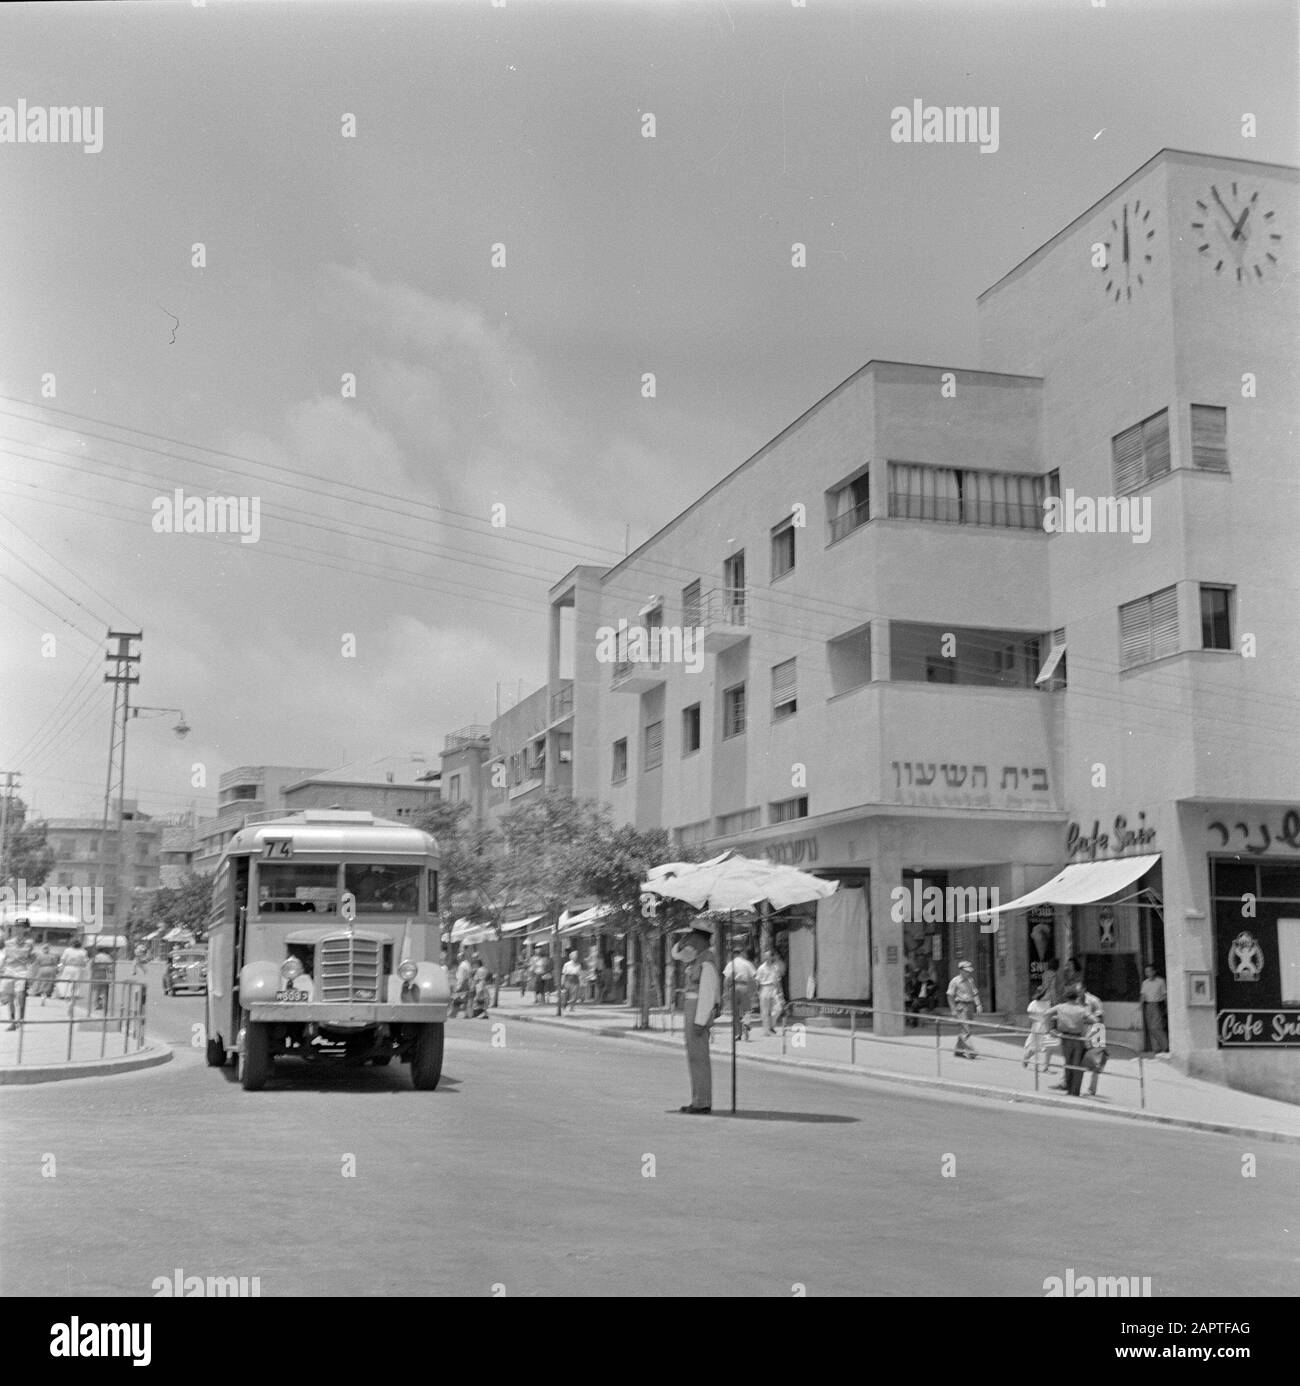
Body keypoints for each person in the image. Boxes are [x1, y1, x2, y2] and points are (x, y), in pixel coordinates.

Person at [671, 927, 720, 1113]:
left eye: (692, 940)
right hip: (692, 1009)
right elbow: (676, 953)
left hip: (699, 1012)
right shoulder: (698, 959)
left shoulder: (706, 963)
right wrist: (682, 941)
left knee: (699, 1058)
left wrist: (700, 1022)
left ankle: (703, 1102)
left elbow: (707, 995)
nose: (688, 944)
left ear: (700, 941)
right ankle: (697, 1099)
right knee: (694, 1058)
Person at [1043, 984, 1092, 1095]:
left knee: (1068, 1063)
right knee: (1077, 1065)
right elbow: (1094, 1019)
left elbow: (1046, 1014)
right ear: (1077, 998)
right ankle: (1075, 1091)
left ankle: (1068, 1089)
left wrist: (1049, 1029)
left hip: (1065, 1038)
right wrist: (1084, 1022)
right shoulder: (1081, 1009)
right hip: (1078, 1039)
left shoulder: (1060, 1007)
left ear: (1066, 997)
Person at [946, 960, 982, 1059]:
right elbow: (950, 996)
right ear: (961, 971)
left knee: (966, 1029)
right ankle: (971, 1051)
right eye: (966, 971)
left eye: (969, 971)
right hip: (961, 1006)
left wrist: (978, 1004)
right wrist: (953, 1009)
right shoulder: (955, 981)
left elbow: (975, 993)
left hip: (970, 1006)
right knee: (966, 1029)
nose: (968, 973)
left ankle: (958, 1050)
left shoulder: (970, 980)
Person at [722, 943, 757, 1042]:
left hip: (734, 987)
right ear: (742, 953)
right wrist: (754, 990)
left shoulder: (731, 964)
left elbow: (726, 978)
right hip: (744, 986)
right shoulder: (747, 963)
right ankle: (746, 1024)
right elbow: (754, 977)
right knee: (746, 1009)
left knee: (735, 1012)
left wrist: (725, 991)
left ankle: (738, 1034)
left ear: (733, 954)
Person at [1, 933, 34, 1030]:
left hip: (22, 970)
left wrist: (30, 971)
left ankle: (21, 1019)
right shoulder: (7, 944)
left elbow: (31, 959)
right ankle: (13, 1022)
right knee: (10, 998)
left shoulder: (29, 945)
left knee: (20, 996)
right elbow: (4, 958)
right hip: (9, 970)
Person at [1022, 984, 1054, 1074]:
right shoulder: (1033, 1004)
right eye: (1048, 993)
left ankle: (1046, 1068)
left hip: (1047, 1029)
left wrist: (1050, 1025)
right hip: (1037, 1028)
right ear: (1043, 994)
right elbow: (1031, 1017)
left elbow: (1049, 1015)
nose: (1050, 994)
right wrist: (1041, 1020)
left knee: (1049, 1048)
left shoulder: (1048, 1003)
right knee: (1034, 1049)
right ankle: (1026, 1057)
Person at [756, 947, 785, 1035]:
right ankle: (766, 1030)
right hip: (764, 988)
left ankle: (771, 1025)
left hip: (774, 988)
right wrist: (758, 992)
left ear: (771, 957)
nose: (767, 958)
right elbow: (757, 981)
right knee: (764, 1011)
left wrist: (781, 992)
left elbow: (778, 980)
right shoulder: (761, 968)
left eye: (769, 956)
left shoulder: (775, 967)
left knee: (778, 1008)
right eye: (766, 956)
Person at [1140, 965, 1168, 1053]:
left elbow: (1164, 995)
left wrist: (1167, 1007)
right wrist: (1140, 1006)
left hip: (1157, 1004)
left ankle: (1166, 1046)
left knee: (1156, 1027)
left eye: (1150, 971)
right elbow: (1143, 995)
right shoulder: (1145, 982)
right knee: (1150, 1027)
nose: (1148, 973)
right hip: (1148, 1005)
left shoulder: (1160, 981)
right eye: (1146, 972)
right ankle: (1156, 1048)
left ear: (1154, 971)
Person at [1082, 1010, 1109, 1097]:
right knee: (1095, 1072)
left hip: (1095, 1051)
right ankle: (1092, 1089)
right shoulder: (1100, 1026)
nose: (1098, 1018)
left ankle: (1091, 1089)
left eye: (1099, 1017)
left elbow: (1087, 1037)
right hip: (1098, 1050)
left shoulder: (1097, 1026)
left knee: (1089, 1070)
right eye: (1097, 1016)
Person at [58, 936, 90, 1006]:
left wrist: (60, 967)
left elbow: (63, 959)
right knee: (76, 982)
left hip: (68, 967)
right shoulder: (83, 951)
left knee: (66, 980)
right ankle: (74, 994)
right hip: (78, 968)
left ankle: (66, 994)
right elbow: (85, 961)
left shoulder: (67, 950)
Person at [561, 949, 582, 1013]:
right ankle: (564, 1006)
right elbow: (564, 974)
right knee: (566, 994)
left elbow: (579, 974)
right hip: (568, 979)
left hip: (575, 980)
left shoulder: (579, 965)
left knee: (574, 995)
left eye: (576, 956)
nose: (575, 957)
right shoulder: (567, 964)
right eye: (574, 956)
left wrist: (581, 982)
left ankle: (571, 1007)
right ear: (571, 957)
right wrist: (562, 982)